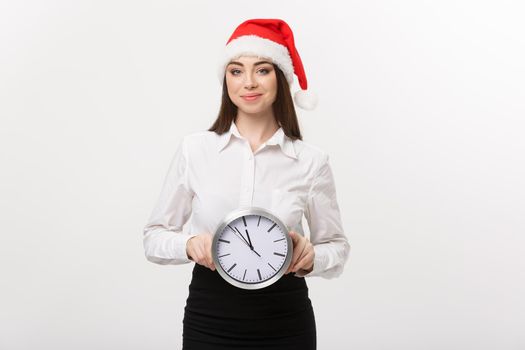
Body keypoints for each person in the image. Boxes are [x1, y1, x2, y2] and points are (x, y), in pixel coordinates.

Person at [143, 18, 350, 350]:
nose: (249, 82)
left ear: (281, 79)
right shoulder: (195, 150)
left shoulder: (312, 161)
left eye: (263, 70)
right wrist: (188, 245)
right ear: (225, 80)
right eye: (236, 71)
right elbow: (153, 238)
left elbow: (337, 247)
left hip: (285, 319)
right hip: (210, 316)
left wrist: (312, 256)